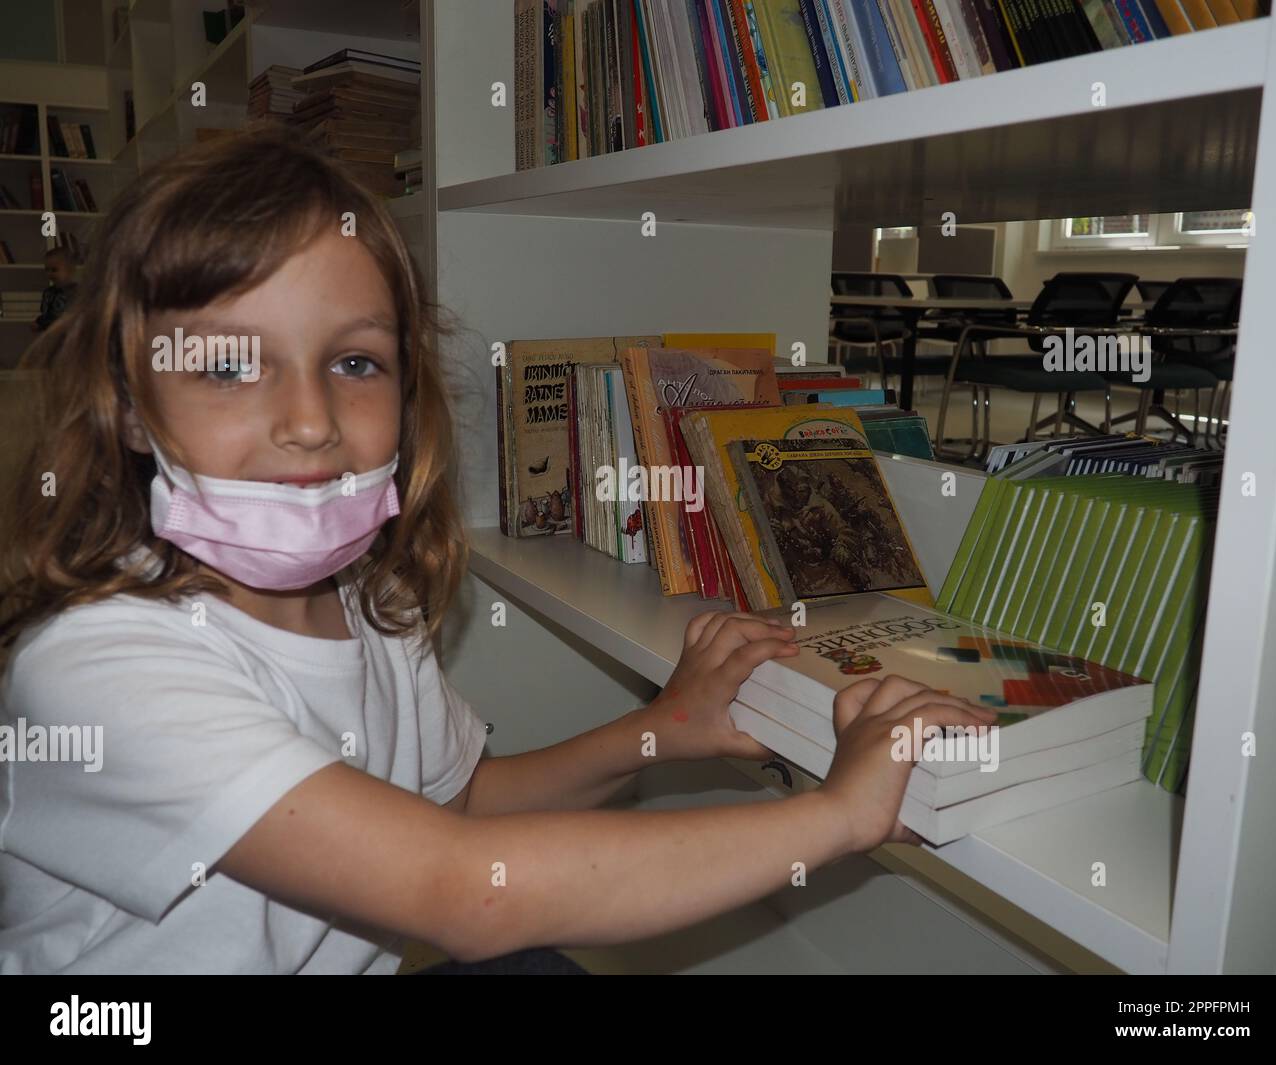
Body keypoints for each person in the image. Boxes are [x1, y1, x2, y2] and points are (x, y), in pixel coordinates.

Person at [0, 130, 995, 975]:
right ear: (128, 407)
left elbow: (460, 803)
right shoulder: (96, 670)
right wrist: (838, 819)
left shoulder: (368, 604)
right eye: (225, 366)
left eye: (354, 362)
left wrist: (660, 729)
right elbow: (460, 889)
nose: (307, 420)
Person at [32, 245, 78, 332]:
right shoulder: (48, 292)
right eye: (47, 269)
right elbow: (46, 313)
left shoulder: (76, 291)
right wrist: (39, 323)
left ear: (70, 270)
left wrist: (40, 322)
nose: (49, 273)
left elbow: (58, 314)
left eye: (54, 270)